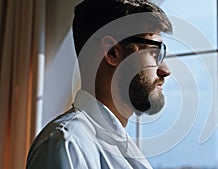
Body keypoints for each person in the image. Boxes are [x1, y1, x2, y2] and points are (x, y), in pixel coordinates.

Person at [26, 0, 173, 168]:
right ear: (112, 52)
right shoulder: (66, 145)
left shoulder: (118, 146)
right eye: (154, 53)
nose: (165, 70)